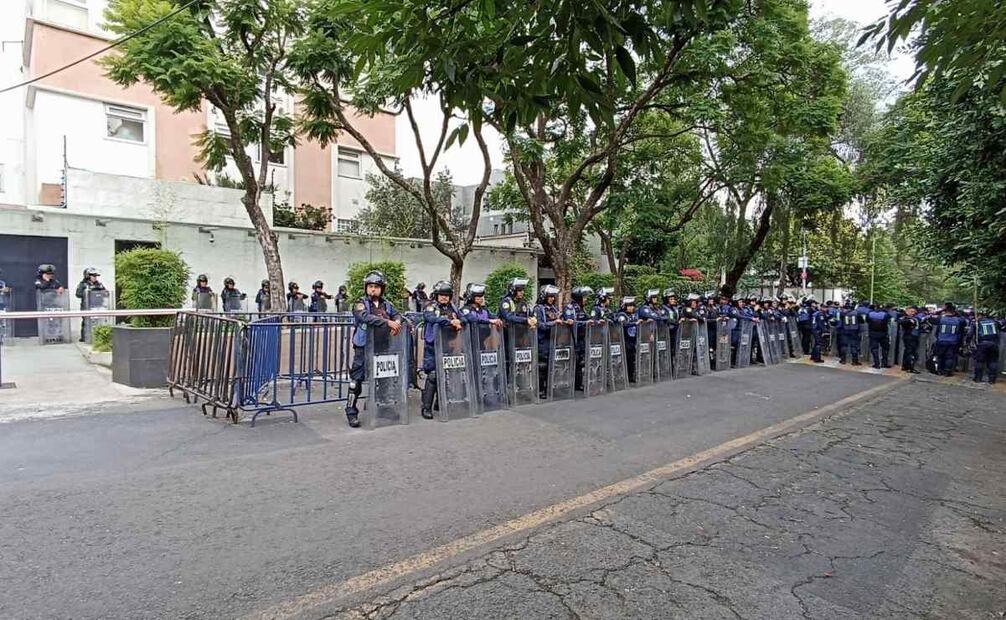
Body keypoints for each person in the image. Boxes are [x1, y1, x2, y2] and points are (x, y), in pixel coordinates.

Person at [345, 271, 403, 428]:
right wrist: (388, 322)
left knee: (383, 379)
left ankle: (383, 408)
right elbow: (365, 317)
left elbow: (397, 314)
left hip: (382, 346)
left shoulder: (387, 304)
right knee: (356, 381)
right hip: (363, 347)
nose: (373, 290)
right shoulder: (360, 303)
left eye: (376, 287)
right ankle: (351, 411)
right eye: (370, 286)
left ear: (381, 289)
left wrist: (396, 321)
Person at [421, 281, 465, 419]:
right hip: (433, 346)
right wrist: (450, 321)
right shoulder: (430, 306)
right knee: (433, 375)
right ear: (436, 295)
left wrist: (460, 321)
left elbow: (463, 318)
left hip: (448, 345)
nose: (444, 297)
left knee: (446, 374)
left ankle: (439, 403)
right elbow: (430, 318)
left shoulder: (453, 307)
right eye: (441, 295)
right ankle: (426, 407)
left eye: (446, 295)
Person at [534, 284, 563, 398]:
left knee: (553, 365)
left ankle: (550, 388)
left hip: (553, 339)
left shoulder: (553, 309)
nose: (552, 298)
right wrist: (553, 323)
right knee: (543, 366)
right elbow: (540, 325)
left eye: (553, 296)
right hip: (543, 341)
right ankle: (541, 390)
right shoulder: (538, 308)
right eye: (550, 296)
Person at [563, 286, 593, 391]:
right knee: (573, 361)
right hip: (572, 339)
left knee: (580, 362)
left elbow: (588, 319)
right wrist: (586, 323)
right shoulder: (570, 308)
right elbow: (571, 322)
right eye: (584, 297)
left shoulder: (582, 309)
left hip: (581, 339)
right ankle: (571, 383)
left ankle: (578, 384)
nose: (586, 299)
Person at [931, 303, 966, 376]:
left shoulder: (940, 319)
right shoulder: (959, 320)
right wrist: (957, 313)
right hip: (953, 341)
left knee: (940, 356)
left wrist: (941, 311)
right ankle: (947, 372)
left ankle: (940, 370)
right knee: (949, 357)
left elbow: (931, 318)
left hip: (941, 340)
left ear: (945, 311)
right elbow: (964, 322)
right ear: (954, 312)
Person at [968, 309, 1001, 385]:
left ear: (980, 315)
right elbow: (1001, 327)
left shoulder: (976, 323)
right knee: (993, 361)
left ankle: (978, 378)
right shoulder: (995, 322)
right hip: (994, 344)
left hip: (982, 344)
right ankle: (992, 379)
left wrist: (967, 342)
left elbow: (970, 334)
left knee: (979, 361)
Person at [73, 268, 106, 342]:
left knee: (98, 321)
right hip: (87, 306)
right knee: (86, 322)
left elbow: (106, 292)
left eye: (95, 276)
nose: (95, 277)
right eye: (93, 276)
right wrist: (88, 292)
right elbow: (78, 294)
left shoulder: (99, 284)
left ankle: (98, 336)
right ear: (88, 276)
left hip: (97, 306)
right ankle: (85, 337)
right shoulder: (83, 284)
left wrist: (102, 292)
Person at [616, 297, 639, 383]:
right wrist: (634, 323)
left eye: (632, 305)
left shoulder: (633, 315)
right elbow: (623, 324)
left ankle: (630, 376)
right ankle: (623, 376)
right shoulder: (621, 315)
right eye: (629, 306)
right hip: (624, 340)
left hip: (632, 340)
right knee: (624, 359)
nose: (631, 307)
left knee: (631, 358)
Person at [866, 303, 892, 368]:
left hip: (873, 334)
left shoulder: (870, 314)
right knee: (885, 349)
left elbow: (867, 321)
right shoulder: (886, 314)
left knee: (874, 349)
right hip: (883, 334)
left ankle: (876, 364)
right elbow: (889, 321)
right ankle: (884, 363)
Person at [898, 306, 923, 374]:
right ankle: (910, 367)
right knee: (910, 352)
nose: (913, 313)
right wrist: (909, 320)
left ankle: (905, 366)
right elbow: (900, 321)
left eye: (914, 312)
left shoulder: (916, 318)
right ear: (907, 311)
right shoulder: (905, 318)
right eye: (911, 311)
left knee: (908, 352)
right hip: (909, 336)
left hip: (914, 336)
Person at [837, 301, 863, 366]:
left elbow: (840, 321)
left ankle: (843, 360)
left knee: (844, 345)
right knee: (854, 346)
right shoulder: (857, 313)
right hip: (854, 331)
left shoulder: (842, 313)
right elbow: (862, 321)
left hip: (845, 330)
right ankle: (854, 361)